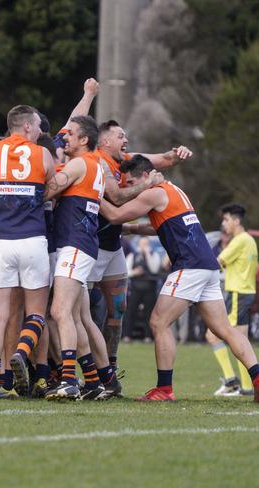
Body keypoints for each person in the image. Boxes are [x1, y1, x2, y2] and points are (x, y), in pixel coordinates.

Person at [99, 155, 259, 402]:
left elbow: (116, 215)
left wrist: (92, 191)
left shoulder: (153, 192)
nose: (127, 188)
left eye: (130, 182)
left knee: (158, 322)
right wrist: (132, 230)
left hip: (190, 265)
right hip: (206, 265)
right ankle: (257, 379)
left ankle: (164, 389)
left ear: (145, 176)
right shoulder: (173, 190)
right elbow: (160, 226)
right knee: (225, 329)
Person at [91, 119, 192, 371]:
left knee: (117, 310)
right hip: (89, 247)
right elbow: (114, 198)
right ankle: (76, 372)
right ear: (105, 141)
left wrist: (179, 153)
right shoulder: (97, 161)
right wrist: (148, 185)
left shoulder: (125, 158)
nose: (125, 140)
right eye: (120, 136)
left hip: (112, 246)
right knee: (82, 312)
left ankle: (109, 369)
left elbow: (164, 160)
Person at [0, 105, 55, 400]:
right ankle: (22, 351)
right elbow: (51, 186)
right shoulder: (43, 153)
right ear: (28, 127)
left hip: (0, 240)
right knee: (36, 313)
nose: (41, 132)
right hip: (32, 238)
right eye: (38, 126)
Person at [41, 115, 106, 400]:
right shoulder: (97, 166)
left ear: (85, 140)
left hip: (74, 245)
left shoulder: (79, 163)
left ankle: (68, 379)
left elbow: (48, 191)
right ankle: (93, 381)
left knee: (59, 312)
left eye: (71, 134)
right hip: (82, 245)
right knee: (76, 318)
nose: (64, 137)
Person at [205, 204, 258, 396]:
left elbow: (216, 262)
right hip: (246, 293)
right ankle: (246, 387)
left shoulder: (239, 241)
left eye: (226, 219)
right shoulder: (250, 240)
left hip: (237, 294)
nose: (223, 223)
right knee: (241, 340)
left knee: (214, 336)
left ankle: (232, 381)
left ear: (236, 221)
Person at [122, 237, 161, 342]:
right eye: (142, 243)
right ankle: (127, 335)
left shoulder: (154, 255)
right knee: (131, 311)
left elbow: (154, 269)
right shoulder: (132, 256)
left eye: (146, 243)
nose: (144, 246)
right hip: (136, 287)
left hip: (150, 288)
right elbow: (126, 271)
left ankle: (148, 336)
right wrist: (134, 272)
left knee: (149, 313)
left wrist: (147, 255)